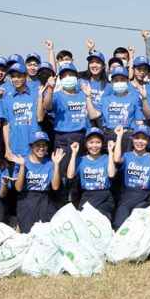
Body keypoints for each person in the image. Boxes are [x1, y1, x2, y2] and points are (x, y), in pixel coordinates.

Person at [44, 62, 90, 202]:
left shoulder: (83, 94)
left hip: (81, 136)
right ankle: (63, 202)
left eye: (71, 75)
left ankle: (78, 201)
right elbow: (47, 105)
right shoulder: (57, 95)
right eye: (64, 76)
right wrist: (50, 89)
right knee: (63, 172)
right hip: (63, 138)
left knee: (78, 170)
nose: (68, 78)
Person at [8, 131, 64, 233]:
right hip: (27, 199)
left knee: (54, 228)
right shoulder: (22, 161)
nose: (41, 148)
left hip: (44, 199)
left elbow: (55, 187)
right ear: (31, 146)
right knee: (29, 232)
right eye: (37, 145)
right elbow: (18, 188)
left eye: (44, 145)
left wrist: (56, 165)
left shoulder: (50, 162)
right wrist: (21, 167)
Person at [84, 66, 145, 154]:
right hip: (109, 136)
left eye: (122, 79)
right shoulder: (105, 99)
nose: (119, 82)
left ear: (127, 81)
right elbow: (93, 115)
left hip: (127, 137)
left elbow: (139, 122)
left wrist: (139, 139)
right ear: (112, 82)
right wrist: (88, 96)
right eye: (116, 80)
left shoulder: (135, 98)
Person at [112, 125, 150, 229]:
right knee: (118, 224)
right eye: (137, 138)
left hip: (145, 196)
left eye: (144, 138)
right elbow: (116, 159)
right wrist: (119, 136)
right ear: (132, 139)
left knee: (136, 221)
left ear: (148, 140)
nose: (140, 141)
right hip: (128, 194)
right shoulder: (127, 155)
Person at [67, 127, 118, 221]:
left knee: (100, 218)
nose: (94, 145)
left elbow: (111, 174)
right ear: (86, 144)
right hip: (87, 196)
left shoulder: (107, 158)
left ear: (102, 144)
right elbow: (70, 175)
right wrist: (74, 154)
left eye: (98, 142)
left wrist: (111, 152)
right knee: (82, 221)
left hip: (104, 196)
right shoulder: (81, 160)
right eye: (91, 142)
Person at [1, 63, 47, 158]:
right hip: (15, 146)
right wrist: (7, 147)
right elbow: (6, 125)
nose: (16, 79)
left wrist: (40, 97)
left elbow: (40, 118)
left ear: (26, 76)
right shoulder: (7, 99)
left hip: (34, 145)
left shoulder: (36, 94)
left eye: (19, 76)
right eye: (13, 77)